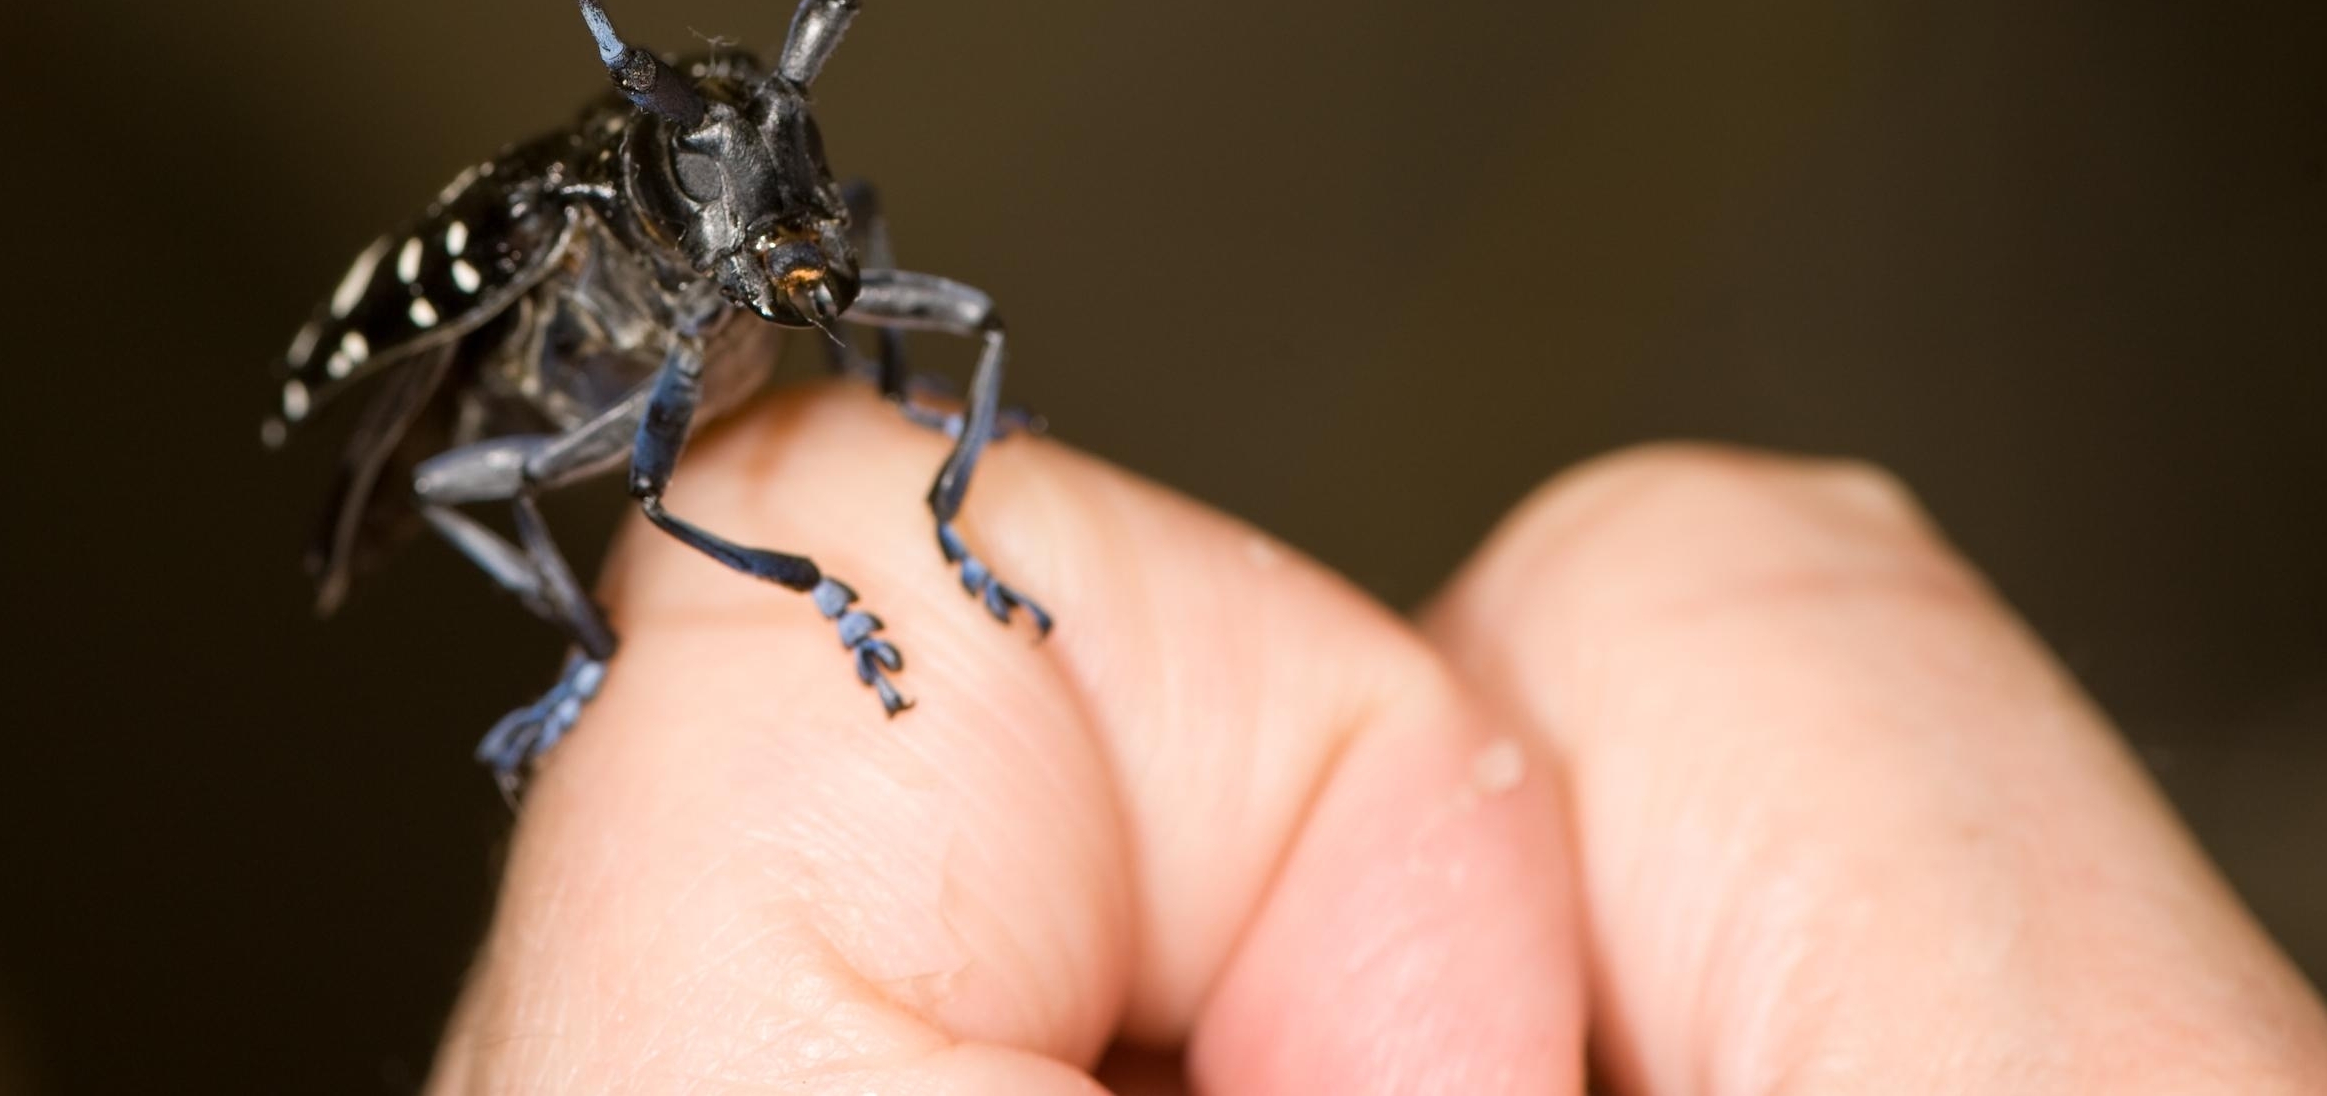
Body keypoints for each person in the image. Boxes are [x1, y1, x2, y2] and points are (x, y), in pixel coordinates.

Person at [423, 382, 2327, 1093]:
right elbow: (651, 481)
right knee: (655, 492)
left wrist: (930, 514)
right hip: (539, 449)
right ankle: (610, 648)